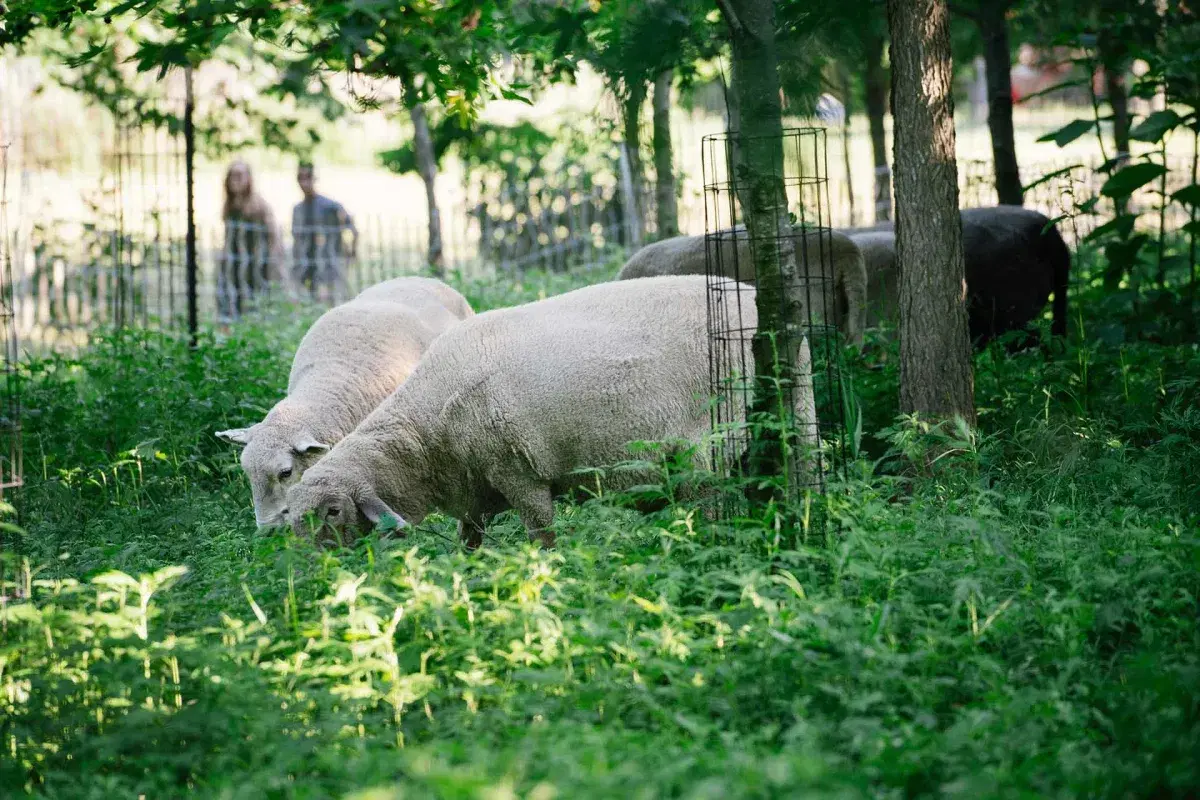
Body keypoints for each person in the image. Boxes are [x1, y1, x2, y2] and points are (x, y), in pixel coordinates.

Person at [221, 160, 283, 320]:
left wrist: (273, 264)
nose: (236, 179)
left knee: (257, 304)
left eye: (240, 175)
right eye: (233, 175)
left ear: (249, 178)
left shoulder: (259, 206)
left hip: (257, 266)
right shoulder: (229, 207)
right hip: (235, 265)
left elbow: (273, 236)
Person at [291, 162, 358, 302]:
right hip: (307, 267)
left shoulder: (330, 206)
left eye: (307, 177)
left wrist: (351, 252)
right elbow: (296, 241)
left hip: (329, 267)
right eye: (300, 178)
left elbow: (353, 230)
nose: (304, 183)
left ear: (314, 178)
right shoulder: (298, 210)